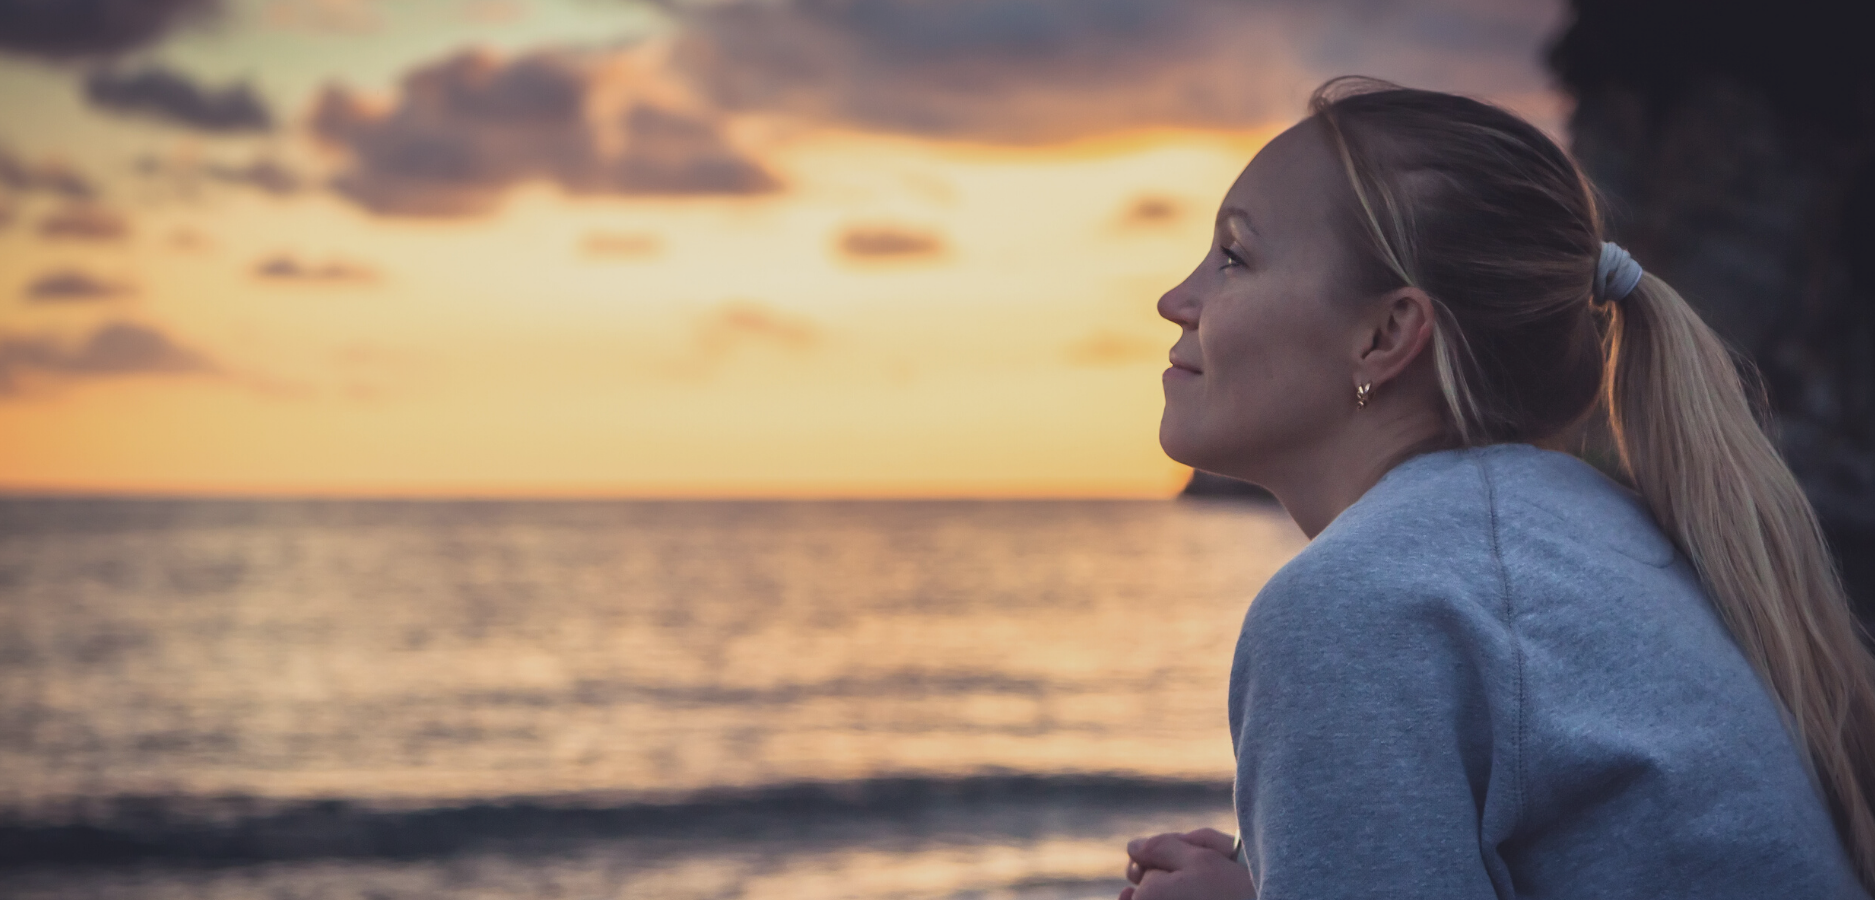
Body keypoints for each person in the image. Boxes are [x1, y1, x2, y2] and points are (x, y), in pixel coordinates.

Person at [1122, 78, 1875, 900]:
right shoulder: (1591, 535)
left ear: (1386, 335)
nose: (1174, 301)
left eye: (1234, 256)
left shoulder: (1359, 604)